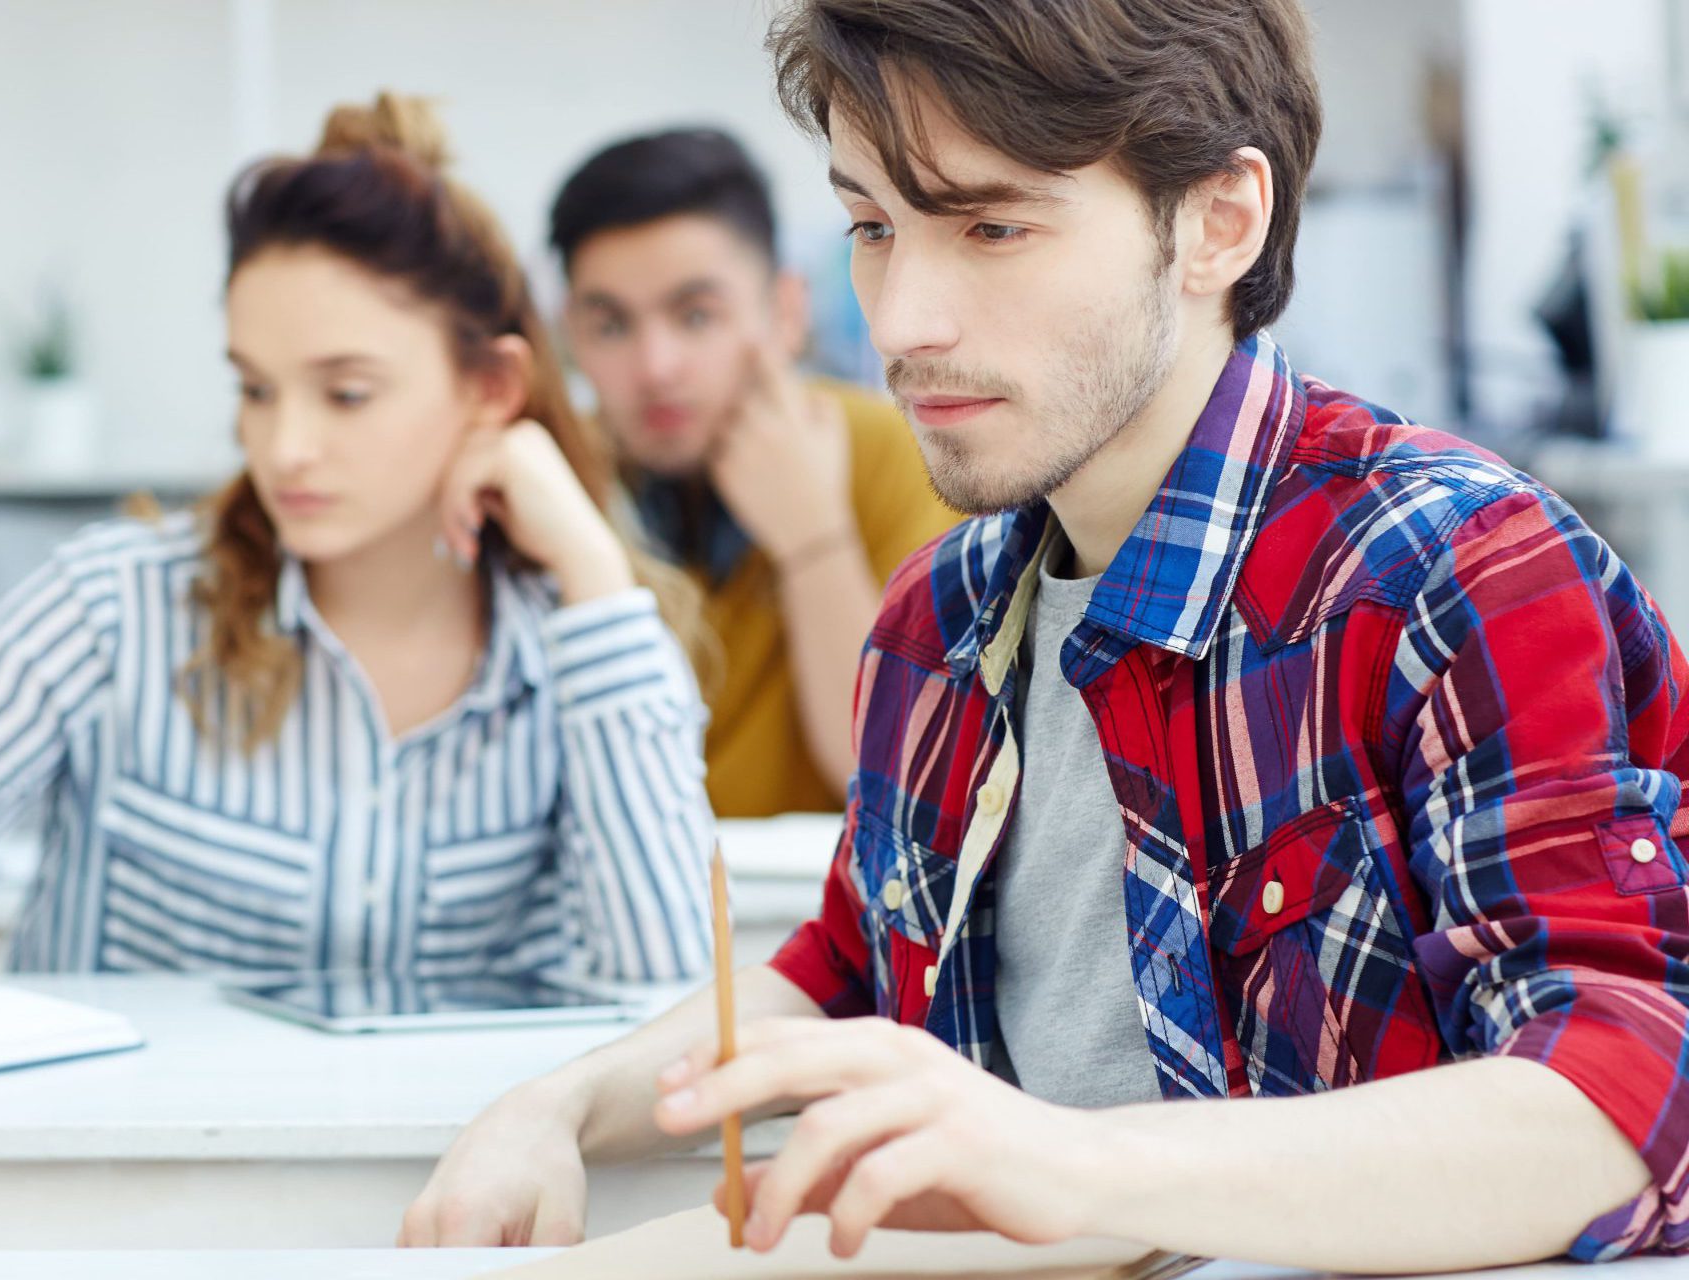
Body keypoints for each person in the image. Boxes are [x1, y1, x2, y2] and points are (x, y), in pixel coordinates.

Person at [402, 0, 1689, 1268]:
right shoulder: (937, 618)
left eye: (992, 226)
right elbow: (842, 964)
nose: (900, 321)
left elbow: (1624, 1095)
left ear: (1217, 222)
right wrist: (558, 1106)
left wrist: (1066, 1161)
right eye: (872, 228)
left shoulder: (1448, 568)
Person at [0, 93, 717, 986]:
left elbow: (674, 995)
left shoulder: (574, 641)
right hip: (122, 1175)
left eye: (346, 393)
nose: (283, 446)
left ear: (490, 388)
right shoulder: (110, 609)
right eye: (255, 389)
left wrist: (592, 571)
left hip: (447, 1181)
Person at [550, 127, 961, 816]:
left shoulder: (902, 454)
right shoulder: (556, 485)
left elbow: (901, 782)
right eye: (612, 326)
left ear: (785, 311)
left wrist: (814, 542)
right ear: (571, 335)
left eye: (696, 316)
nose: (655, 367)